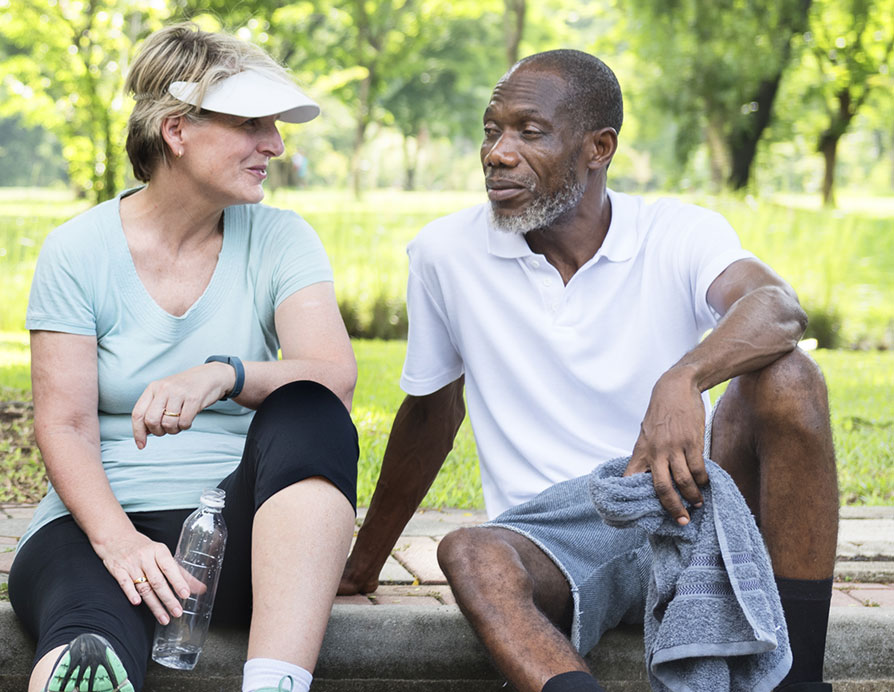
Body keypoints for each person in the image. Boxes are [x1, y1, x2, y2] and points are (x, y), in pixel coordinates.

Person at [339, 50, 837, 692]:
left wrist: (681, 379)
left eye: (529, 131)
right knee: (469, 552)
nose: (498, 152)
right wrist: (362, 564)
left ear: (597, 147)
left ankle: (799, 685)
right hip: (554, 540)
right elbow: (431, 415)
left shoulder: (676, 232)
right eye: (491, 130)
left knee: (790, 378)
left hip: (686, 508)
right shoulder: (445, 254)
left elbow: (777, 306)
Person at [9, 24, 360, 692]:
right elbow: (65, 426)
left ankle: (276, 683)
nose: (275, 146)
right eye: (253, 124)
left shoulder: (282, 239)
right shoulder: (78, 250)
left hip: (249, 545)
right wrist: (123, 544)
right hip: (98, 530)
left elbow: (334, 378)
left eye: (276, 127)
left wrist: (222, 374)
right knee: (88, 644)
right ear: (177, 130)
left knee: (310, 408)